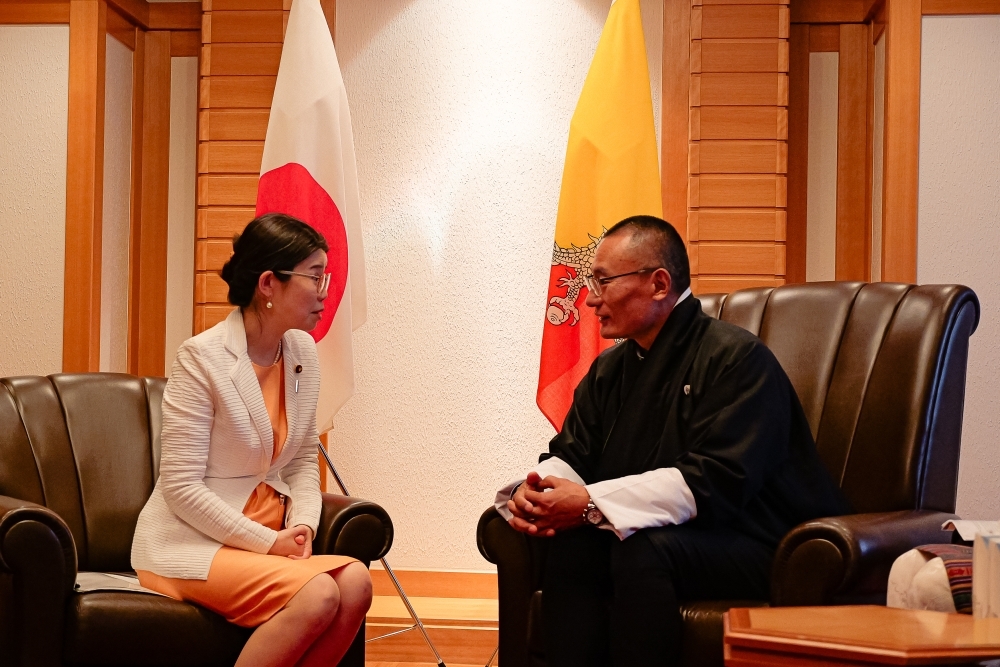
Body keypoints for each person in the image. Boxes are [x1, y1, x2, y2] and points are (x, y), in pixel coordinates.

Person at [495, 215, 849, 667]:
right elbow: (573, 453)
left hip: (760, 545)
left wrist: (587, 503)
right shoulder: (610, 370)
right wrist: (538, 490)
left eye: (603, 281)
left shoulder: (736, 359)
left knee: (642, 548)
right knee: (574, 546)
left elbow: (713, 480)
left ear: (659, 284)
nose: (590, 300)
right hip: (672, 541)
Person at [131, 213, 372, 667]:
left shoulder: (303, 353)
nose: (325, 291)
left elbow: (301, 460)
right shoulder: (201, 358)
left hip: (273, 533)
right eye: (316, 276)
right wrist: (267, 541)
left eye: (328, 276)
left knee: (356, 583)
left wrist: (303, 524)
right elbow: (181, 488)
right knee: (319, 593)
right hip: (192, 543)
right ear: (268, 284)